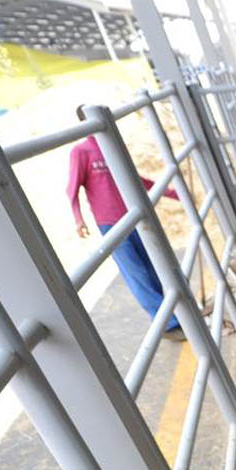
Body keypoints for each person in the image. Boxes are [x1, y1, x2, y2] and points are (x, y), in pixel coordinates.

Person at [66, 105, 184, 340]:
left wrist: (171, 192)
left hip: (135, 215)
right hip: (110, 222)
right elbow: (72, 188)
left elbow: (135, 178)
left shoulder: (114, 148)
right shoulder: (81, 152)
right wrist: (78, 218)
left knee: (154, 264)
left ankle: (176, 311)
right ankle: (168, 324)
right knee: (136, 271)